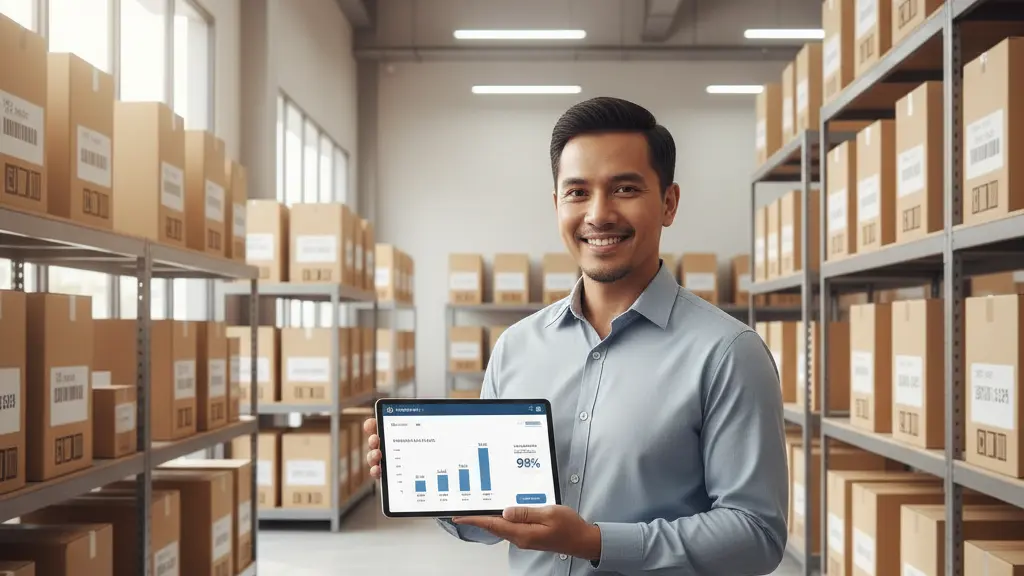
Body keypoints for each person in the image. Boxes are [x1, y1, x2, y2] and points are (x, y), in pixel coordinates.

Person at [364, 96, 788, 575]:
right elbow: (496, 520)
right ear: (557, 204)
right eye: (578, 192)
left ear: (668, 203)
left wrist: (597, 542)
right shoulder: (517, 348)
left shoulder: (728, 354)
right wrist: (427, 481)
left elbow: (757, 534)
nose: (599, 214)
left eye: (625, 188)